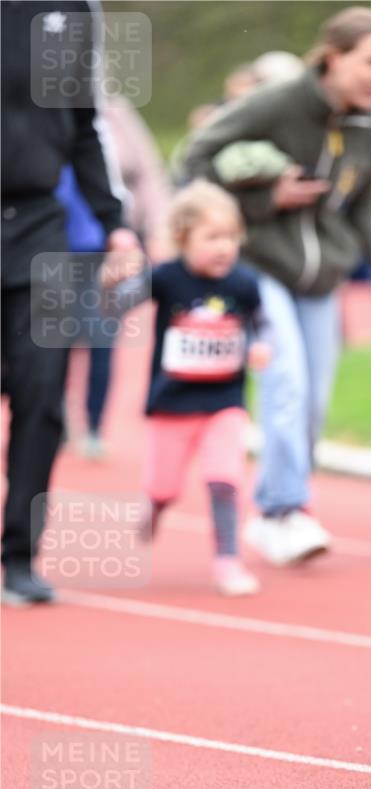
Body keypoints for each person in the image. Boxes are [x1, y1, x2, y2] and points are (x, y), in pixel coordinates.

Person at [182, 6, 371, 567]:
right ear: (333, 57)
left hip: (324, 275)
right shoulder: (279, 102)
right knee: (284, 375)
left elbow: (364, 206)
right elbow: (193, 160)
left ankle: (285, 507)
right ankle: (282, 510)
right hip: (262, 263)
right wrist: (265, 200)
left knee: (312, 398)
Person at [1, 1, 140, 605]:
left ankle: (18, 556)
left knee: (43, 393)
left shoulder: (73, 10)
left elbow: (87, 125)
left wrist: (116, 222)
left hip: (40, 227)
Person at [101, 180, 270, 596]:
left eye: (231, 237)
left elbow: (261, 320)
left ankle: (227, 560)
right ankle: (153, 507)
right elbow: (117, 304)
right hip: (171, 403)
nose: (224, 248)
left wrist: (263, 343)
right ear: (182, 239)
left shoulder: (243, 283)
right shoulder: (167, 278)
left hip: (224, 402)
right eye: (212, 238)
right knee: (164, 487)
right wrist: (115, 282)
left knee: (224, 478)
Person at [59, 95, 172, 460]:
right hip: (52, 246)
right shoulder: (40, 110)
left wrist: (156, 229)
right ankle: (53, 414)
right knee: (52, 338)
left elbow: (148, 173)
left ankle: (94, 425)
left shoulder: (115, 112)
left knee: (103, 336)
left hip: (108, 247)